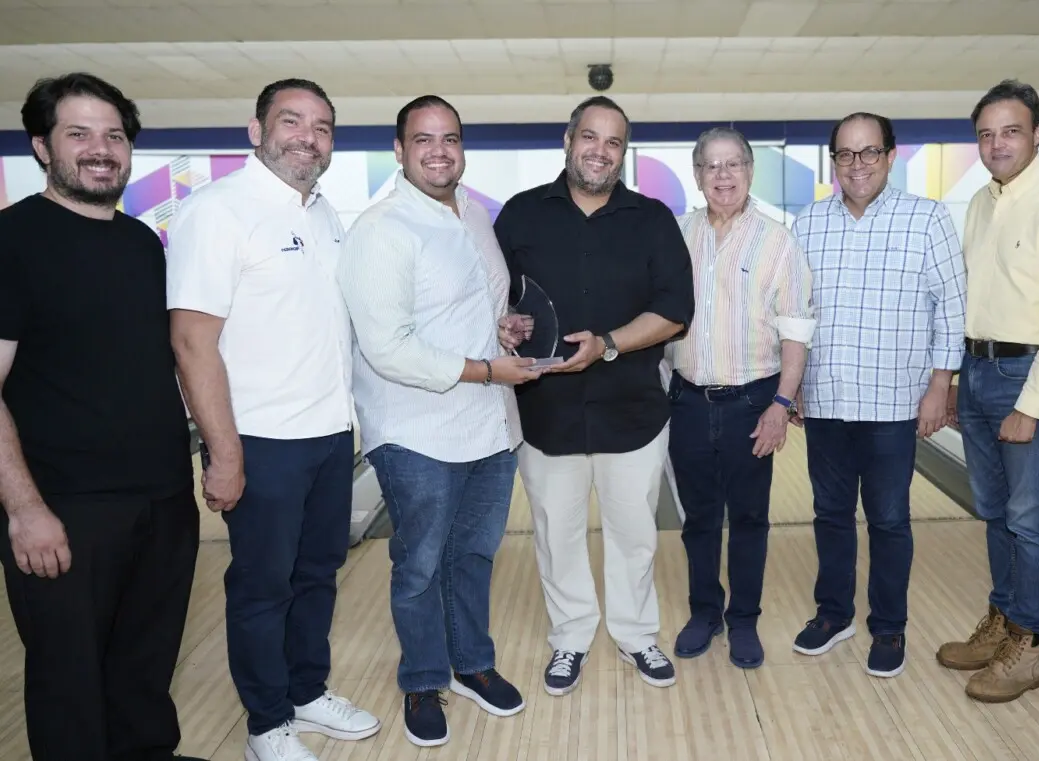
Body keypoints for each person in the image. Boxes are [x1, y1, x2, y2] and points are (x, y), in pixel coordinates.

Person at [166, 79, 379, 761]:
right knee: (263, 586)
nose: (306, 137)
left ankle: (307, 689)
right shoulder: (217, 211)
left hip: (327, 434)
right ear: (255, 130)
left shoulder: (325, 215)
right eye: (291, 121)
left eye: (321, 127)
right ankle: (267, 723)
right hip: (260, 440)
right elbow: (192, 341)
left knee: (318, 572)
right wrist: (223, 452)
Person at [0, 73, 204, 761]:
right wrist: (25, 508)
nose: (101, 149)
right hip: (66, 506)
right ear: (41, 146)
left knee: (145, 665)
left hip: (162, 498)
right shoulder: (14, 240)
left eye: (114, 135)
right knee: (68, 678)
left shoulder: (141, 242)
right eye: (79, 134)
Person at [337, 95, 542, 748]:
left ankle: (473, 662)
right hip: (417, 429)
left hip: (489, 425)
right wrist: (487, 369)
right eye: (422, 139)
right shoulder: (383, 228)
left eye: (449, 138)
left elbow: (474, 309)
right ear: (399, 150)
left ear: (462, 146)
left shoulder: (476, 214)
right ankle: (423, 678)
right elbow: (388, 346)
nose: (438, 151)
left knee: (475, 554)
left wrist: (503, 327)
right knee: (421, 563)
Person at [493, 95, 695, 695]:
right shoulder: (521, 216)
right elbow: (497, 298)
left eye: (613, 142)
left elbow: (675, 312)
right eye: (590, 137)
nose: (600, 151)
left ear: (623, 153)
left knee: (634, 535)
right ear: (568, 139)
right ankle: (572, 638)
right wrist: (505, 322)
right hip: (546, 412)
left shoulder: (653, 219)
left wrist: (607, 343)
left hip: (631, 411)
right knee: (557, 535)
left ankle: (636, 636)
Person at [935, 80, 1039, 703]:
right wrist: (955, 378)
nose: (996, 143)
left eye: (1010, 130)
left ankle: (1028, 645)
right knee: (995, 511)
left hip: (1027, 376)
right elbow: (970, 301)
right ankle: (1002, 620)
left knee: (1030, 520)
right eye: (985, 133)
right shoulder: (981, 202)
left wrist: (1031, 405)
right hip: (978, 371)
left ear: (1038, 132)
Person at [790, 112, 966, 678]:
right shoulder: (807, 224)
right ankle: (833, 614)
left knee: (889, 520)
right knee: (830, 515)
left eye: (869, 153)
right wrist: (788, 387)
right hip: (826, 399)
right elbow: (794, 315)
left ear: (891, 156)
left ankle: (888, 626)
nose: (857, 165)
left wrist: (941, 384)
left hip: (894, 402)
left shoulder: (928, 218)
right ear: (833, 162)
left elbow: (953, 309)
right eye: (845, 154)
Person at [665, 127, 814, 670]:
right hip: (687, 400)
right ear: (698, 174)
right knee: (698, 519)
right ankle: (705, 611)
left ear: (750, 172)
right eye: (712, 166)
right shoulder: (678, 234)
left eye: (734, 165)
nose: (723, 176)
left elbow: (796, 329)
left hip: (753, 400)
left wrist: (781, 403)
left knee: (749, 518)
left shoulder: (778, 241)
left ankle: (744, 619)